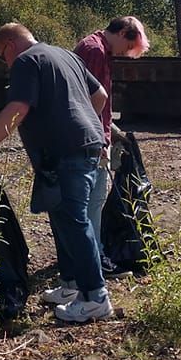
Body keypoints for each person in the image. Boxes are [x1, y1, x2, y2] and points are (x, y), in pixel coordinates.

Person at [0, 23, 112, 323]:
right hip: (83, 147)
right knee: (61, 217)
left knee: (73, 219)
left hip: (68, 152)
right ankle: (71, 286)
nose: (5, 63)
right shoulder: (66, 56)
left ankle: (96, 297)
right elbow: (100, 96)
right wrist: (83, 122)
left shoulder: (25, 61)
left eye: (1, 56)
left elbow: (18, 108)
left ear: (8, 44)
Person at [74, 16, 151, 256]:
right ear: (123, 32)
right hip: (90, 140)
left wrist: (112, 131)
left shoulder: (99, 49)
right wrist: (99, 140)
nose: (125, 52)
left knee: (91, 201)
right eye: (128, 47)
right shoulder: (94, 51)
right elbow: (86, 101)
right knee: (92, 201)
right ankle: (92, 256)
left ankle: (90, 252)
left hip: (93, 135)